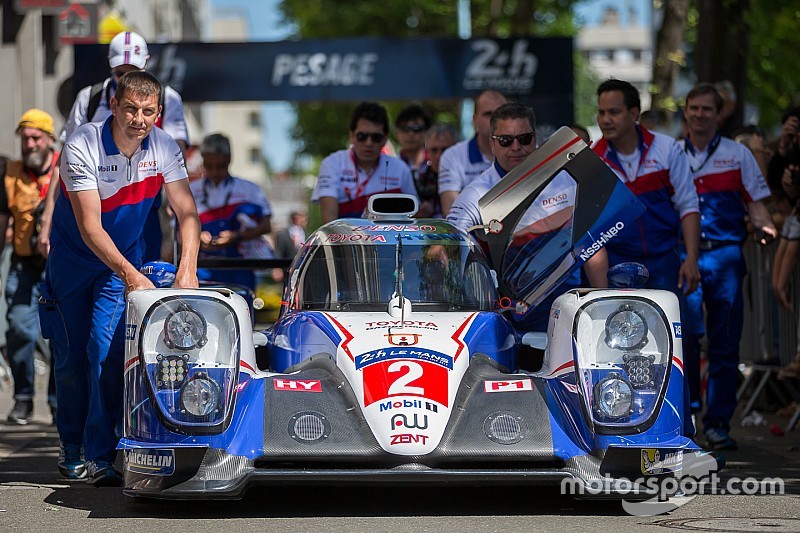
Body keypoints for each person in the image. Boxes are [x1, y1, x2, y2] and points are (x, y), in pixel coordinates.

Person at [41, 71, 200, 485]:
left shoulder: (165, 145)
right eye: (130, 108)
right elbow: (91, 228)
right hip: (75, 261)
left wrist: (187, 269)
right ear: (114, 105)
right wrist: (132, 274)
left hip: (122, 263)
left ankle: (101, 452)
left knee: (105, 351)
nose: (139, 118)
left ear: (158, 113)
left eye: (148, 111)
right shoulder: (82, 144)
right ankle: (71, 445)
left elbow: (187, 213)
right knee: (72, 357)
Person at [448, 103, 608, 333]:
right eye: (506, 140)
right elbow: (452, 246)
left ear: (535, 139)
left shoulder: (565, 180)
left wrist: (602, 307)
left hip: (567, 299)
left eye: (524, 139)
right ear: (492, 143)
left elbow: (594, 245)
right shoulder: (476, 193)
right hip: (507, 308)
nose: (516, 147)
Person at [678, 83, 777, 451]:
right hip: (683, 256)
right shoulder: (672, 153)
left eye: (707, 109)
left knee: (724, 342)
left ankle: (717, 424)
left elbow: (757, 204)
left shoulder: (738, 155)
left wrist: (765, 225)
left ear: (718, 114)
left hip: (725, 254)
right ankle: (686, 420)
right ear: (685, 112)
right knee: (684, 338)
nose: (699, 114)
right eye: (693, 108)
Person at [41, 31, 190, 264]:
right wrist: (47, 220)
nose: (127, 80)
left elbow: (177, 152)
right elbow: (63, 162)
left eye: (135, 72)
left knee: (142, 285)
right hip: (88, 204)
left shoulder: (168, 98)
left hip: (142, 208)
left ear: (146, 65)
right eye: (121, 73)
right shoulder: (89, 97)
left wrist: (175, 201)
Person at [592, 79, 701, 296]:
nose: (605, 120)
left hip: (665, 260)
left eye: (614, 112)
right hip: (617, 265)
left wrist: (691, 258)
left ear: (634, 114)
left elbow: (688, 205)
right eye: (601, 112)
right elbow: (592, 228)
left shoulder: (667, 148)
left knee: (676, 328)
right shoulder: (593, 160)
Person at [1, 109, 58, 425]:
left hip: (59, 266)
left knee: (61, 336)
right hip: (23, 265)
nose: (30, 144)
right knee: (20, 327)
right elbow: (2, 222)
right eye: (25, 139)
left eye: (36, 137)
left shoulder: (67, 166)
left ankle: (57, 403)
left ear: (50, 140)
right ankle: (23, 397)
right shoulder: (9, 173)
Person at [192, 133, 273, 291]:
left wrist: (237, 236)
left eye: (220, 166)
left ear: (229, 160)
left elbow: (266, 226)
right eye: (209, 166)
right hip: (202, 267)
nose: (214, 172)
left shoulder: (250, 189)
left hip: (240, 267)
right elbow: (178, 229)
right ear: (203, 160)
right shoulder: (191, 190)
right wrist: (196, 236)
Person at [312, 102, 417, 224]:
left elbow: (413, 217)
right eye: (362, 136)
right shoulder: (331, 164)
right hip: (345, 240)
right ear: (351, 136)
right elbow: (329, 222)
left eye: (376, 137)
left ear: (384, 139)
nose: (369, 143)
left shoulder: (400, 169)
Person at [438, 89, 508, 216]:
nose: (494, 120)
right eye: (488, 114)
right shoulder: (452, 156)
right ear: (475, 120)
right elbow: (452, 212)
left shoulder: (525, 150)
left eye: (500, 114)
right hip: (471, 234)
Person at [415, 123, 458, 218]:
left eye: (445, 150)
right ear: (427, 151)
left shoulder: (466, 176)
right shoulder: (417, 178)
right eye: (434, 150)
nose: (439, 156)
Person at [394, 103, 432, 182]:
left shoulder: (436, 163)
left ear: (427, 133)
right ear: (397, 133)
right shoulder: (390, 166)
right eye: (405, 129)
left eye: (417, 129)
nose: (411, 134)